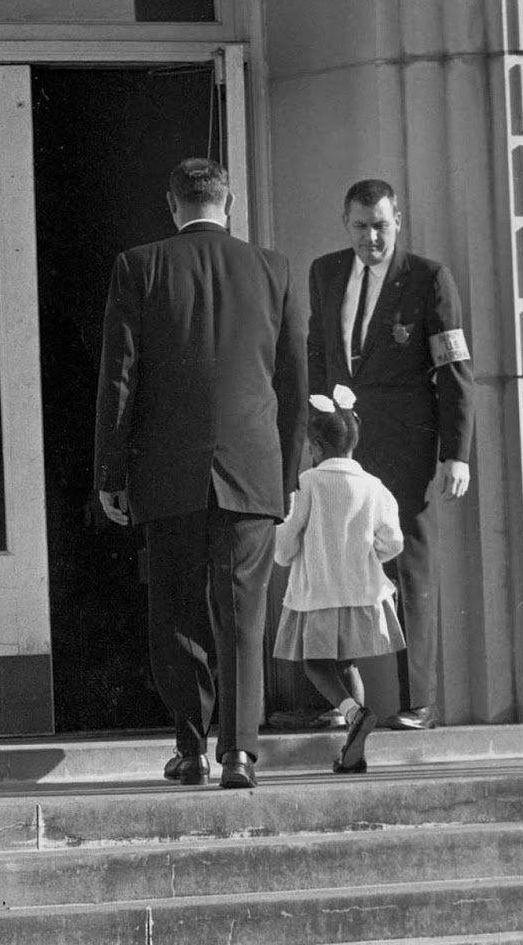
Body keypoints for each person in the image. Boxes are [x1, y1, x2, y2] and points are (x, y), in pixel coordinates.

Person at [95, 158, 307, 790]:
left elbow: (120, 377)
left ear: (172, 203)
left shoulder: (139, 265)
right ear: (229, 201)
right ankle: (239, 753)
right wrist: (288, 473)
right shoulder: (274, 269)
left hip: (167, 469)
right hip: (253, 468)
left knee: (177, 612)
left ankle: (190, 749)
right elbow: (296, 380)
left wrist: (110, 470)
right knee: (243, 614)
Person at [308, 179, 475, 730]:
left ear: (397, 219)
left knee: (406, 567)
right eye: (360, 226)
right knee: (338, 565)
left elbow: (454, 370)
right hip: (342, 448)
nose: (371, 238)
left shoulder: (428, 278)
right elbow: (318, 355)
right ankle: (345, 704)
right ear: (345, 223)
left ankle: (415, 702)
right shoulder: (326, 272)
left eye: (380, 225)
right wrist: (315, 434)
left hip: (406, 446)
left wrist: (456, 453)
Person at [273, 388, 405, 773]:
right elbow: (392, 540)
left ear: (315, 446)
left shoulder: (308, 483)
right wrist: (369, 556)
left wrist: (285, 556)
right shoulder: (374, 485)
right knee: (348, 666)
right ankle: (355, 752)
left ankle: (352, 714)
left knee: (316, 665)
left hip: (318, 594)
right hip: (360, 593)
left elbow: (286, 539)